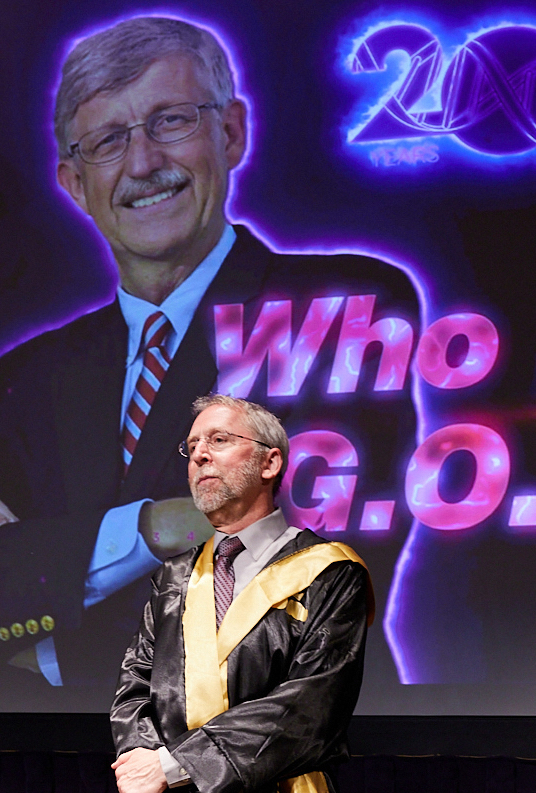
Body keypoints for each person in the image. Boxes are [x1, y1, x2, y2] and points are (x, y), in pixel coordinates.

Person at [0, 17, 419, 702]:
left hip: (300, 736)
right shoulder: (23, 380)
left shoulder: (345, 301)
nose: (141, 164)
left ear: (229, 133)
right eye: (109, 140)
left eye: (169, 121)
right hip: (85, 745)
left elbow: (310, 545)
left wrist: (65, 564)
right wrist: (152, 526)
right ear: (74, 183)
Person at [111, 394, 369, 793]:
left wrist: (177, 763)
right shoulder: (174, 577)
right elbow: (136, 686)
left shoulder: (329, 572)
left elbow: (312, 707)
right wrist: (144, 766)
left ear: (270, 462)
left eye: (218, 440)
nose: (199, 456)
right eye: (192, 446)